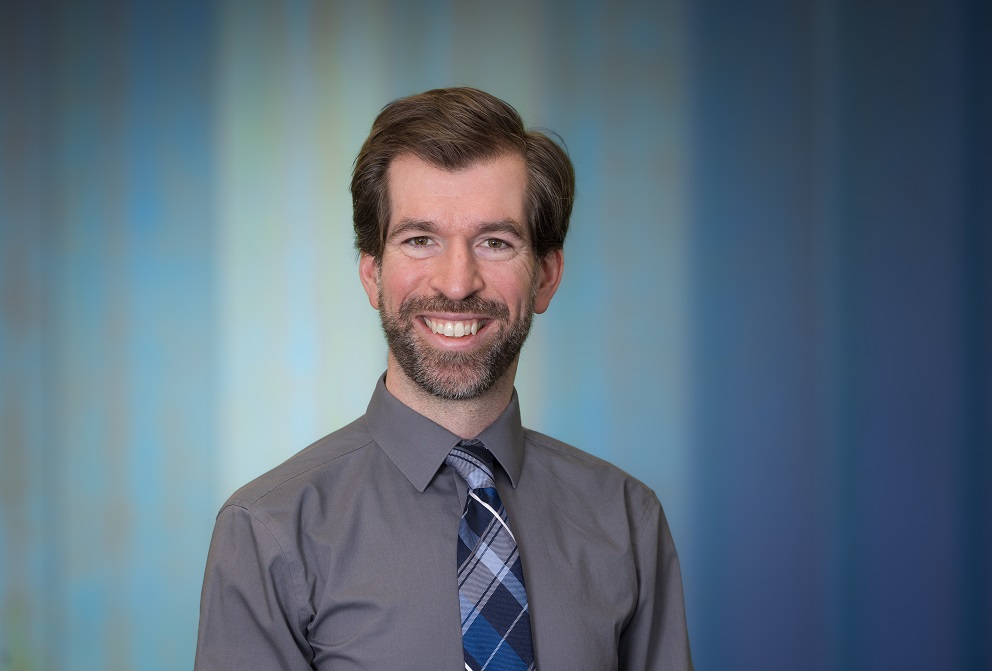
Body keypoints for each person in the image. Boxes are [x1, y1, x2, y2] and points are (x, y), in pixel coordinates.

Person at [195, 87, 692, 670]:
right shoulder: (269, 532)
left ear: (546, 277)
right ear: (373, 274)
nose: (458, 283)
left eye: (495, 242)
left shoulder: (627, 520)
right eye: (420, 240)